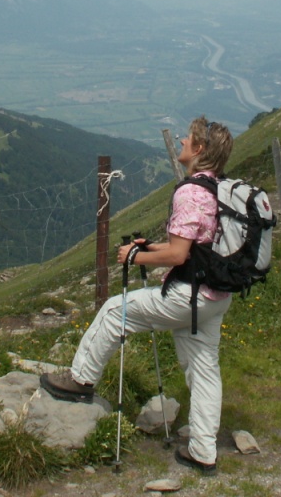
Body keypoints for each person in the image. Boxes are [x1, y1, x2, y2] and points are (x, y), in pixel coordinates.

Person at [41, 116, 234, 475]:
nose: (181, 141)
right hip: (215, 297)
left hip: (188, 298)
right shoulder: (219, 188)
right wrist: (150, 246)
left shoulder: (191, 191)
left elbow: (178, 257)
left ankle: (81, 381)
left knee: (116, 311)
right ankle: (204, 452)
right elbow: (196, 247)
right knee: (205, 368)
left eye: (187, 139)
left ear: (200, 150)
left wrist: (136, 256)